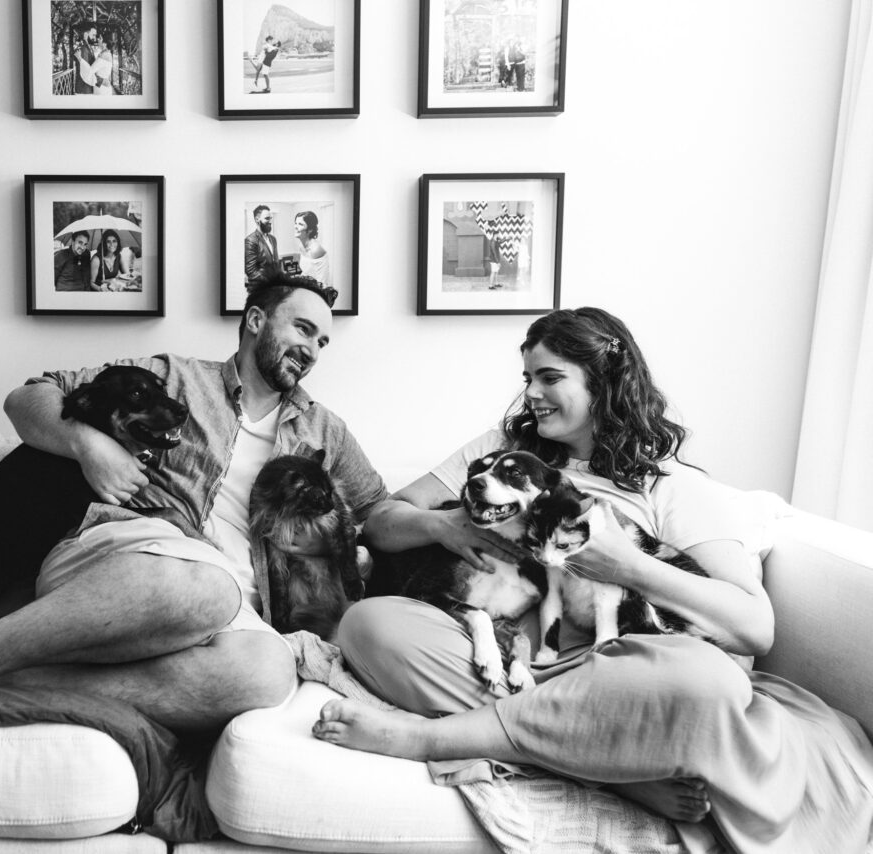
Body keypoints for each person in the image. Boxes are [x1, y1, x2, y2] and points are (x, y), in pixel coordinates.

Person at [312, 307, 873, 852]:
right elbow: (380, 523)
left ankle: (435, 740)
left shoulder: (670, 487)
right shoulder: (499, 456)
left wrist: (626, 566)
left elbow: (753, 629)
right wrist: (446, 526)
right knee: (368, 623)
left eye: (550, 377)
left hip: (616, 670)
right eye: (528, 377)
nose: (531, 393)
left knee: (707, 678)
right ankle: (611, 765)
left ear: (605, 381)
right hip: (518, 664)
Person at [0, 274, 388, 735]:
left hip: (233, 603)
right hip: (124, 552)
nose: (313, 350)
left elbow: (380, 511)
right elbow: (29, 396)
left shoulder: (323, 430)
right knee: (204, 586)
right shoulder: (174, 378)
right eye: (304, 329)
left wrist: (450, 527)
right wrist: (88, 444)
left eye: (323, 342)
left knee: (268, 673)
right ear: (255, 321)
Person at [293, 211, 330, 288]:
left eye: (300, 224)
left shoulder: (316, 250)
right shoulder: (301, 246)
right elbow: (307, 272)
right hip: (307, 288)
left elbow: (322, 283)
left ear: (310, 230)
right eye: (296, 223)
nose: (295, 226)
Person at [244, 205, 279, 286]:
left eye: (271, 218)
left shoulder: (273, 239)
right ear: (257, 219)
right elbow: (251, 272)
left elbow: (276, 262)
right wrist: (271, 281)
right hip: (261, 288)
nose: (270, 221)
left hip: (275, 286)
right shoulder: (250, 240)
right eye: (267, 218)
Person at [74, 23, 112, 95]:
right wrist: (102, 81)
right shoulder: (83, 49)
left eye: (96, 36)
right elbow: (87, 71)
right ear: (86, 34)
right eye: (93, 35)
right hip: (84, 89)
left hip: (90, 87)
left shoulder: (90, 48)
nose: (95, 38)